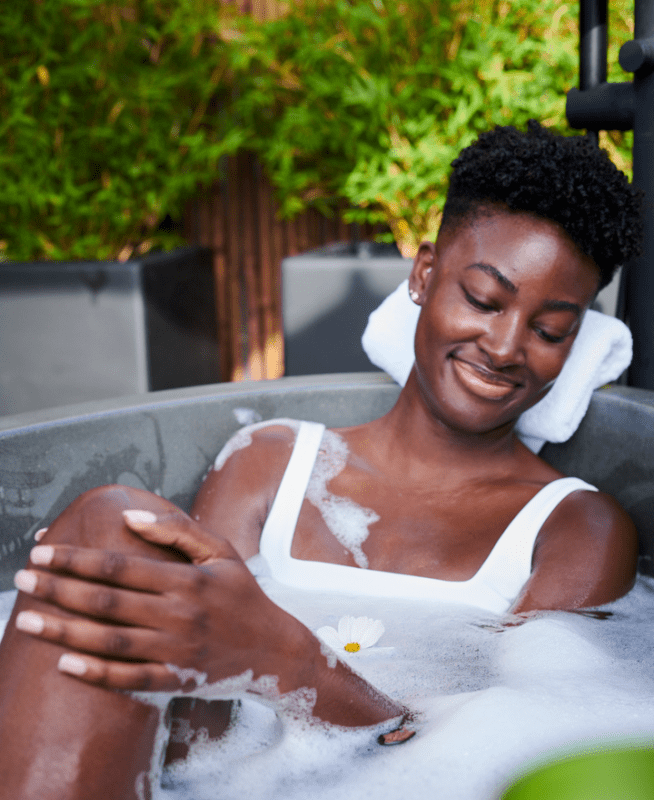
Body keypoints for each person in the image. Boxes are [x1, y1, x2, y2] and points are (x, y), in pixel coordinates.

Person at [0, 121, 644, 800]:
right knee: (114, 523)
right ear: (424, 276)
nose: (508, 346)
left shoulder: (574, 529)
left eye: (550, 330)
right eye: (483, 300)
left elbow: (510, 760)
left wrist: (286, 658)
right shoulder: (270, 464)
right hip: (213, 776)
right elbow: (192, 725)